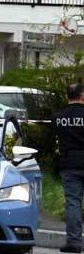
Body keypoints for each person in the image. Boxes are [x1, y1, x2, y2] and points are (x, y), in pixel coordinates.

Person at [53, 82, 84, 253]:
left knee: (73, 203)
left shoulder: (58, 116)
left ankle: (74, 242)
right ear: (82, 96)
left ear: (67, 97)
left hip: (69, 163)